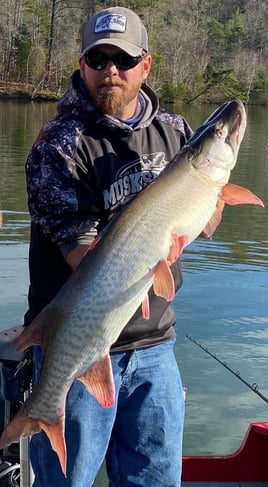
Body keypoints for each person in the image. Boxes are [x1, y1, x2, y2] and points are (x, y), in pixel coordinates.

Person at [24, 6, 194, 487]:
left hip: (156, 343)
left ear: (146, 64)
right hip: (77, 347)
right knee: (66, 481)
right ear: (82, 66)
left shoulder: (177, 132)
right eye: (97, 60)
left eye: (121, 59)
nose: (110, 72)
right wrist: (152, 249)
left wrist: (206, 203)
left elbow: (203, 222)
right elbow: (84, 254)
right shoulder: (60, 143)